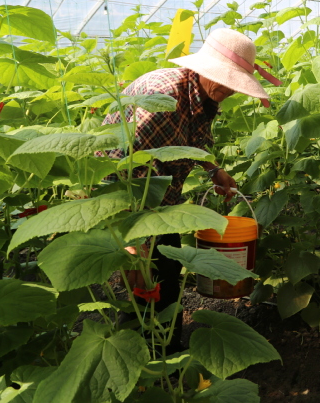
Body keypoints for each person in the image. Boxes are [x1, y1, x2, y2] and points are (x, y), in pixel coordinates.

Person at [97, 28, 280, 352]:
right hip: (127, 201)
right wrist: (133, 240)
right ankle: (135, 359)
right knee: (145, 283)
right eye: (225, 80)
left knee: (167, 273)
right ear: (205, 70)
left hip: (161, 201)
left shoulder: (202, 96)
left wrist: (214, 169)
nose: (228, 90)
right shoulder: (163, 98)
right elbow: (128, 167)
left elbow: (193, 140)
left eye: (234, 84)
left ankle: (167, 356)